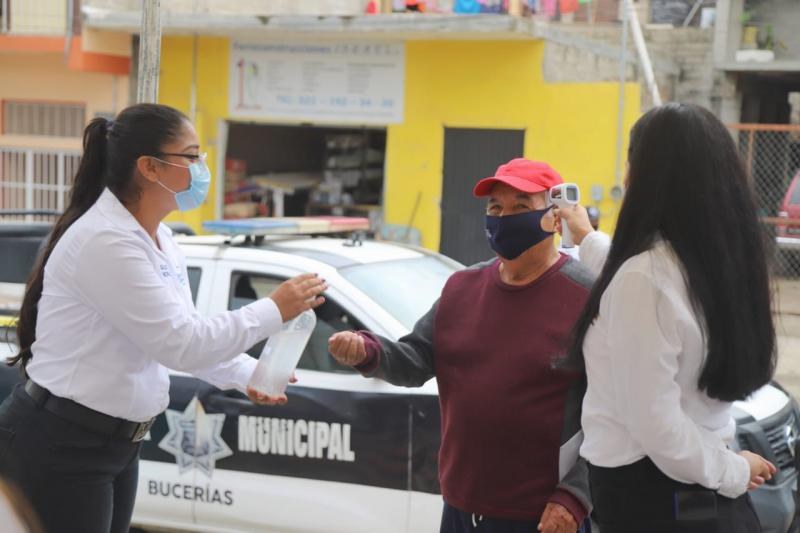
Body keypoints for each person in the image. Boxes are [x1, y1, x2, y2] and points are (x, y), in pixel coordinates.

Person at [0, 103, 327, 533]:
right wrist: (273, 309)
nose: (201, 168)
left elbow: (182, 340)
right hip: (63, 441)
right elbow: (182, 341)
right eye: (191, 157)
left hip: (117, 443)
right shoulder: (107, 242)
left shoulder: (161, 240)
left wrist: (248, 374)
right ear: (150, 168)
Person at [328, 158, 594, 533]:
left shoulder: (587, 295)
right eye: (495, 208)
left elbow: (617, 412)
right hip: (460, 508)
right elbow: (416, 359)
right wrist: (368, 351)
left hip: (545, 517)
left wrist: (575, 495)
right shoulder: (461, 288)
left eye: (520, 206)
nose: (504, 218)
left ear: (555, 217)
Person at [558, 103, 777, 532]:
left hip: (651, 494)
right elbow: (645, 290)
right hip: (695, 484)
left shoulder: (644, 279)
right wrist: (585, 238)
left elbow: (653, 423)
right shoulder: (716, 266)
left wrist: (732, 472)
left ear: (649, 178)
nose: (625, 177)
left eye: (630, 161)